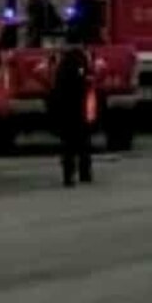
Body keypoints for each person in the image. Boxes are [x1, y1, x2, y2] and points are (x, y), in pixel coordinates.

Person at [51, 22, 94, 187]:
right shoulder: (80, 58)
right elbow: (84, 79)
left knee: (68, 143)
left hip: (65, 106)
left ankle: (68, 175)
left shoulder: (62, 60)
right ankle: (84, 173)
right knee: (83, 140)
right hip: (79, 105)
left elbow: (56, 84)